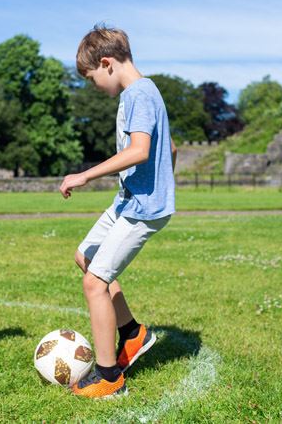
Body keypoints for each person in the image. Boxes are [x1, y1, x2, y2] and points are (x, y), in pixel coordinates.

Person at [59, 25, 176, 399]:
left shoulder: (139, 93)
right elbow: (169, 147)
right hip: (129, 200)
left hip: (143, 209)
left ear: (106, 63)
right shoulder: (140, 93)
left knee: (94, 282)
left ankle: (109, 377)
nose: (95, 88)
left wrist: (85, 175)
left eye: (93, 79)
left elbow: (140, 150)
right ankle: (132, 333)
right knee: (86, 257)